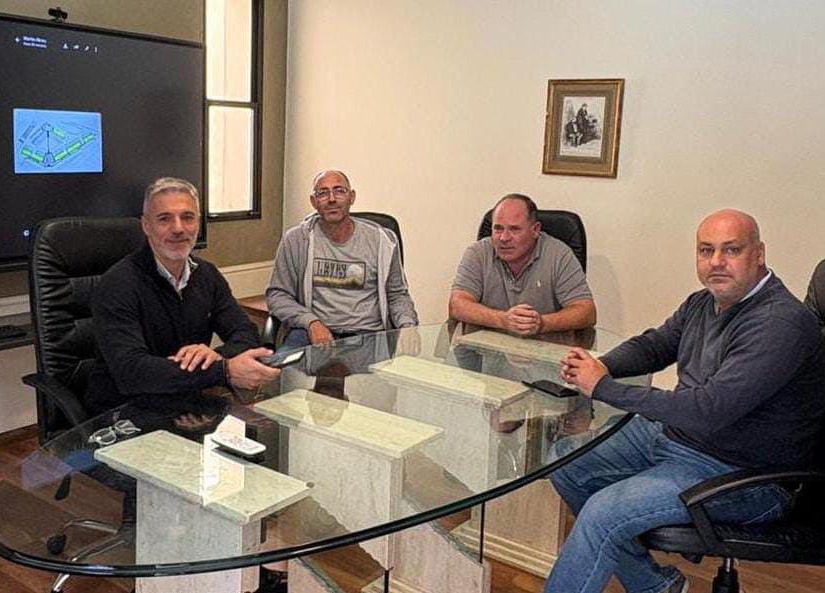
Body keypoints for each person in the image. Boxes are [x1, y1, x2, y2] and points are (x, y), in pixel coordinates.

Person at [544, 209, 825, 593]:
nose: (716, 262)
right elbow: (655, 346)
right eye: (706, 250)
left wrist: (603, 387)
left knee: (603, 513)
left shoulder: (780, 323)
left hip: (742, 472)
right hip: (675, 439)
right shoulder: (703, 303)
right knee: (564, 461)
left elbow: (707, 410)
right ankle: (654, 586)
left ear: (759, 254)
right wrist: (600, 366)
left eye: (731, 250)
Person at [84, 177, 281, 415]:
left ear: (198, 222)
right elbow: (132, 372)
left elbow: (246, 333)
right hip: (124, 411)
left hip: (187, 403)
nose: (178, 228)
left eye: (187, 217)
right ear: (146, 226)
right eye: (164, 219)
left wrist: (216, 358)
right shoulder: (117, 284)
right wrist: (223, 370)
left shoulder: (207, 275)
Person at [266, 169, 418, 350]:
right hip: (312, 332)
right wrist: (311, 322)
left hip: (367, 335)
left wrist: (408, 326)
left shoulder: (382, 241)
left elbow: (397, 294)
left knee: (388, 368)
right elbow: (277, 295)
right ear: (314, 202)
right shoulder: (296, 239)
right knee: (278, 366)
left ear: (351, 197)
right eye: (323, 193)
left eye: (339, 191)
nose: (331, 199)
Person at [449, 193, 596, 336]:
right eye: (498, 229)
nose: (504, 238)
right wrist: (503, 320)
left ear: (535, 230)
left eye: (514, 229)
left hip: (543, 346)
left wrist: (542, 323)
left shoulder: (559, 255)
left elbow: (587, 312)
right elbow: (457, 305)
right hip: (486, 347)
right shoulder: (478, 253)